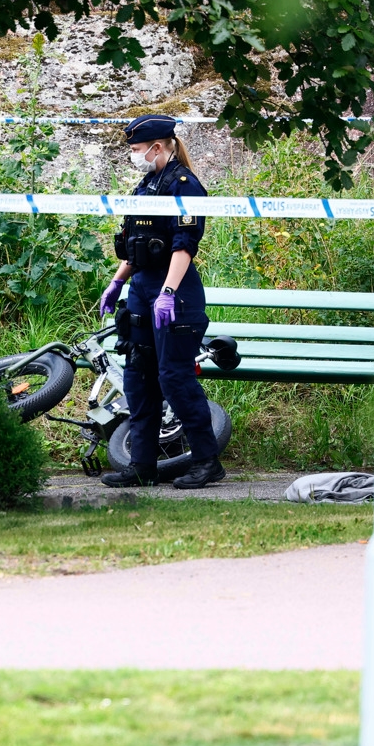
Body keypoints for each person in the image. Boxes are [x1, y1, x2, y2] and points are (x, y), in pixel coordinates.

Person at [97, 114, 225, 489]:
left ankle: (206, 461)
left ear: (157, 147)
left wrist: (167, 292)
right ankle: (142, 465)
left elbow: (184, 246)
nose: (133, 155)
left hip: (175, 292)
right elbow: (136, 245)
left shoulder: (185, 186)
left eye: (137, 149)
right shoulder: (146, 185)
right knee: (138, 377)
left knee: (174, 378)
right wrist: (117, 282)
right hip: (141, 288)